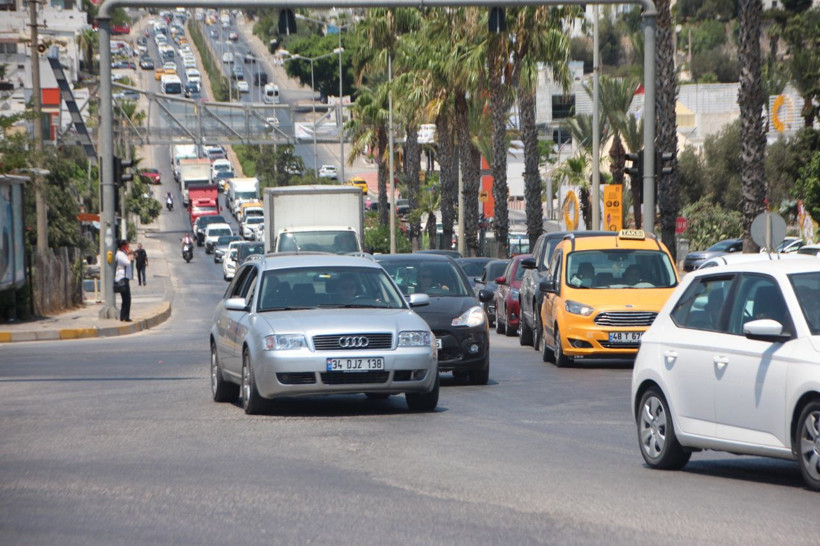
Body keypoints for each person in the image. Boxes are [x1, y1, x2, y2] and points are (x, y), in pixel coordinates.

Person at [114, 239, 133, 322]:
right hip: (122, 278)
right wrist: (129, 254)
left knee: (126, 299)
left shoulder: (122, 254)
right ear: (123, 246)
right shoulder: (120, 254)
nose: (128, 247)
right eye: (127, 246)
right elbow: (128, 263)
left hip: (125, 277)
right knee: (126, 299)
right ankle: (124, 317)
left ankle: (124, 317)